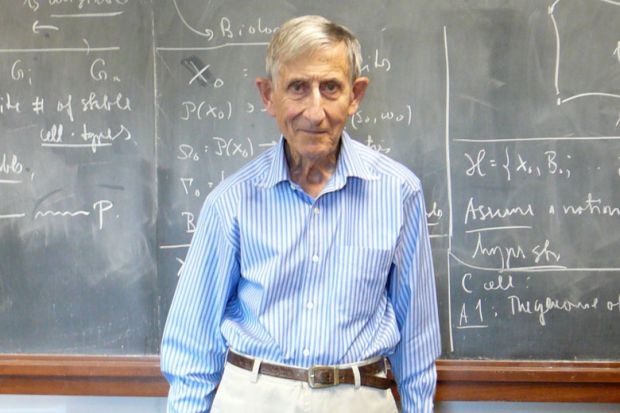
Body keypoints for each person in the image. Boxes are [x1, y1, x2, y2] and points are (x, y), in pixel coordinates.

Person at [161, 15, 441, 413]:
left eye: (330, 88)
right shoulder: (231, 202)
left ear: (356, 95)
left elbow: (417, 341)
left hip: (359, 397)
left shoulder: (399, 194)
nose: (314, 111)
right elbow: (192, 347)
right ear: (268, 95)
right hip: (253, 397)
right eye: (297, 88)